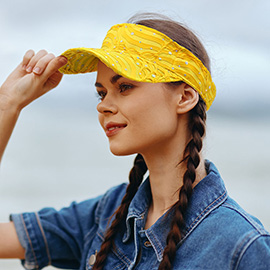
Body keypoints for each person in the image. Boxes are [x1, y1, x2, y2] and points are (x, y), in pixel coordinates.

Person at [0, 13, 269, 270]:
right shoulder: (106, 214)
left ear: (185, 97)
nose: (103, 106)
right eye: (101, 93)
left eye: (124, 87)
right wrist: (8, 104)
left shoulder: (242, 247)